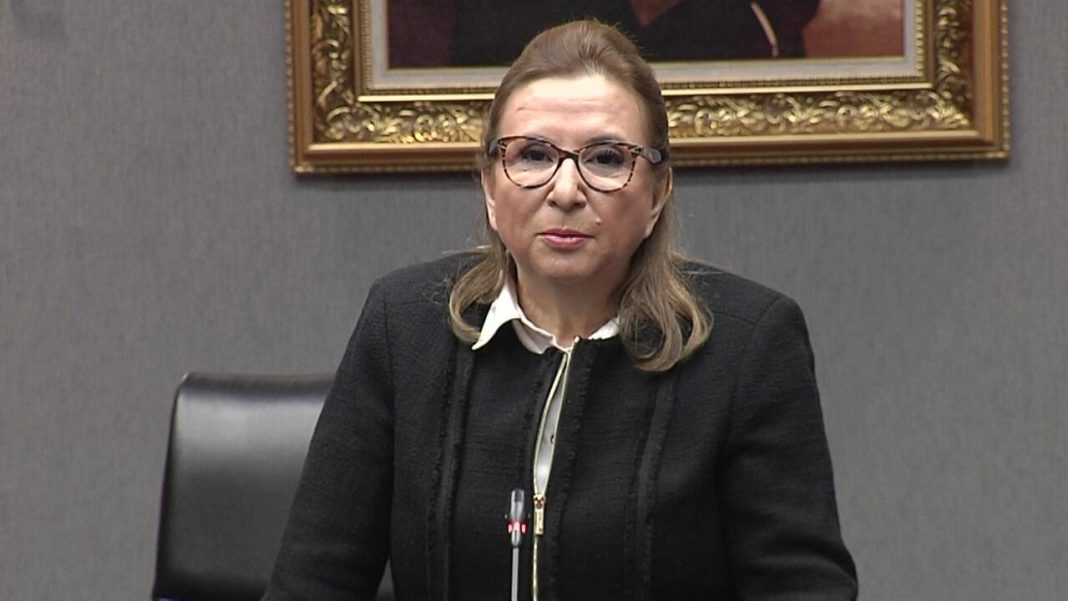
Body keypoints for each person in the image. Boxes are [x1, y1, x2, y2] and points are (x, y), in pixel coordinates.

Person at [264, 19, 857, 601]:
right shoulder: (403, 328)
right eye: (532, 155)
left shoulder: (748, 346)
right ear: (490, 187)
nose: (566, 191)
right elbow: (312, 582)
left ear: (657, 193)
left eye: (606, 158)